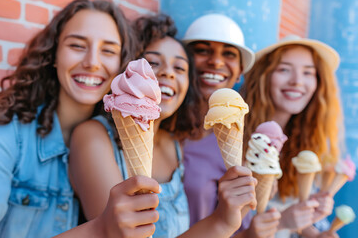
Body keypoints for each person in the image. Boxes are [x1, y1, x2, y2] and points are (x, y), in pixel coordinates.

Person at [68, 14, 257, 238]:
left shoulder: (175, 144)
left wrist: (225, 218)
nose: (167, 72)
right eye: (153, 63)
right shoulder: (92, 136)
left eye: (179, 68)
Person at [0, 0, 138, 237]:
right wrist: (101, 227)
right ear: (53, 53)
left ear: (121, 66)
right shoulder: (9, 130)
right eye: (77, 45)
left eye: (108, 50)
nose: (92, 63)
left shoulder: (123, 142)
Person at [181, 13, 281, 238]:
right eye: (203, 50)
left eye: (228, 54)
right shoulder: (166, 132)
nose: (216, 62)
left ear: (239, 73)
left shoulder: (251, 142)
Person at [241, 35, 342, 238]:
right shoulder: (238, 138)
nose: (297, 81)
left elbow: (295, 222)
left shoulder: (307, 141)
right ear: (264, 76)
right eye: (284, 69)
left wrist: (313, 232)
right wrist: (283, 221)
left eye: (308, 72)